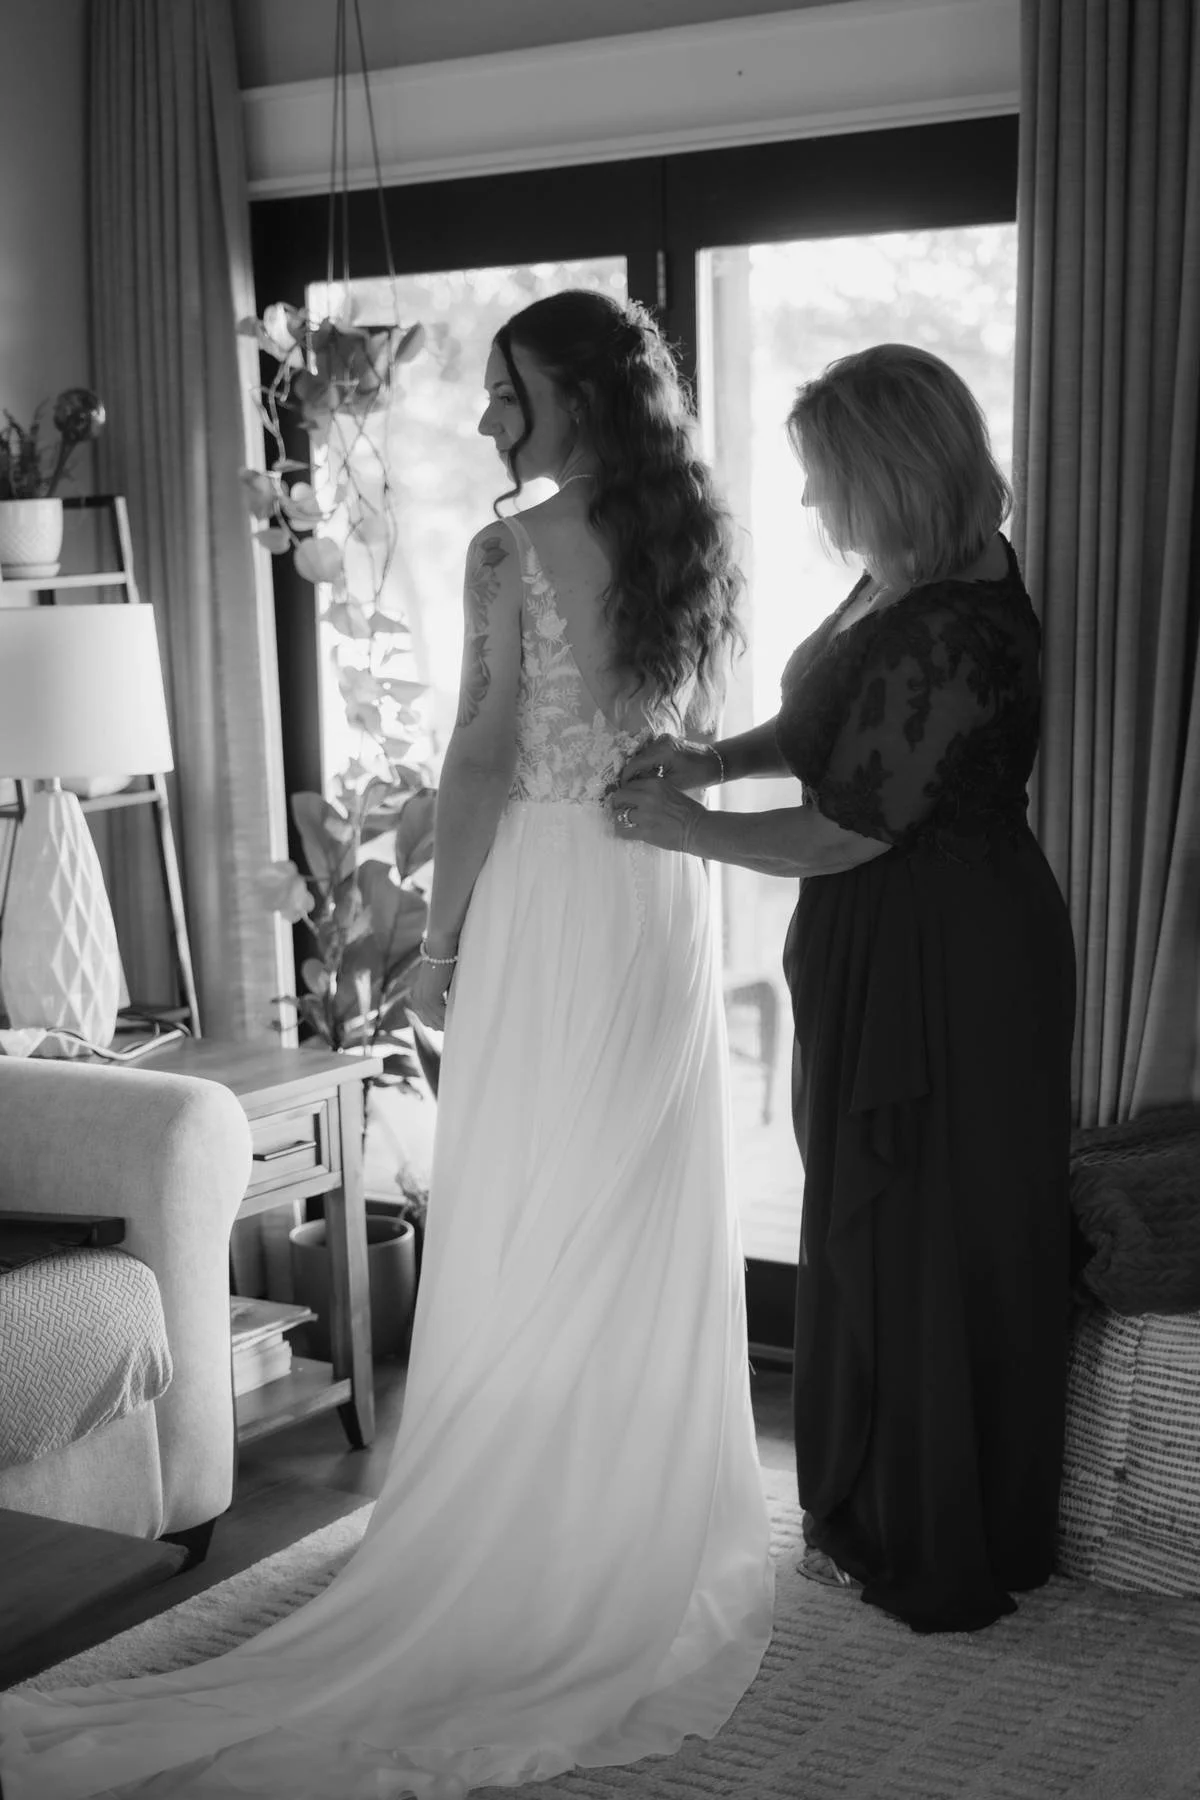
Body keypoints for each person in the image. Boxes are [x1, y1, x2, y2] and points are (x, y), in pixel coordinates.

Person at [0, 291, 774, 1800]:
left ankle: (534, 1535)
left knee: (534, 1206)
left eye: (512, 393)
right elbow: (651, 736)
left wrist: (440, 941)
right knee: (622, 1205)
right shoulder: (697, 535)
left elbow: (484, 756)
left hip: (552, 902)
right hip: (656, 896)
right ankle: (630, 1523)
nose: (490, 421)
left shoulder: (512, 549)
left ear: (576, 399)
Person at [614, 343, 1077, 1635]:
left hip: (955, 955)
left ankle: (946, 1536)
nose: (811, 507)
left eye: (824, 480)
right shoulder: (899, 584)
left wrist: (683, 830)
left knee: (935, 1234)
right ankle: (882, 1507)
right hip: (886, 936)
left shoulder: (961, 626)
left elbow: (848, 827)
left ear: (893, 471)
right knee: (881, 1227)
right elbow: (827, 723)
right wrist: (708, 761)